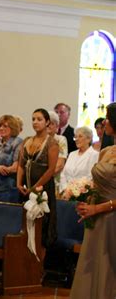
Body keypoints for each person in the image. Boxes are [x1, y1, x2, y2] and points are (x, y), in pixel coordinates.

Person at [70, 102, 116, 299]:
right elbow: (97, 183)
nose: (104, 121)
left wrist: (98, 208)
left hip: (111, 216)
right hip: (97, 217)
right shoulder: (106, 151)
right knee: (96, 265)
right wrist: (86, 202)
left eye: (107, 117)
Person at [17, 108, 59, 248]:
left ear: (47, 122)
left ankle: (39, 263)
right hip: (26, 188)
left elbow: (51, 169)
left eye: (39, 119)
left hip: (43, 189)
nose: (35, 122)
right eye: (33, 119)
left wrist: (35, 188)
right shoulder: (27, 141)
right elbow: (21, 165)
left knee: (42, 227)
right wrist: (18, 184)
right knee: (24, 224)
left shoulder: (51, 143)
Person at [60, 127, 99, 192]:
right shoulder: (72, 154)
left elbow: (90, 176)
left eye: (80, 136)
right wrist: (65, 189)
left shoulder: (94, 155)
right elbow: (63, 174)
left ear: (88, 139)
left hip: (83, 193)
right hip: (66, 192)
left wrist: (75, 191)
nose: (76, 139)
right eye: (75, 137)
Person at [47, 111, 68, 195]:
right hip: (39, 181)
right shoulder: (38, 140)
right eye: (47, 123)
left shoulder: (61, 140)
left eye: (52, 123)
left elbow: (60, 165)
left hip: (54, 180)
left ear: (57, 126)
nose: (48, 126)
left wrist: (44, 177)